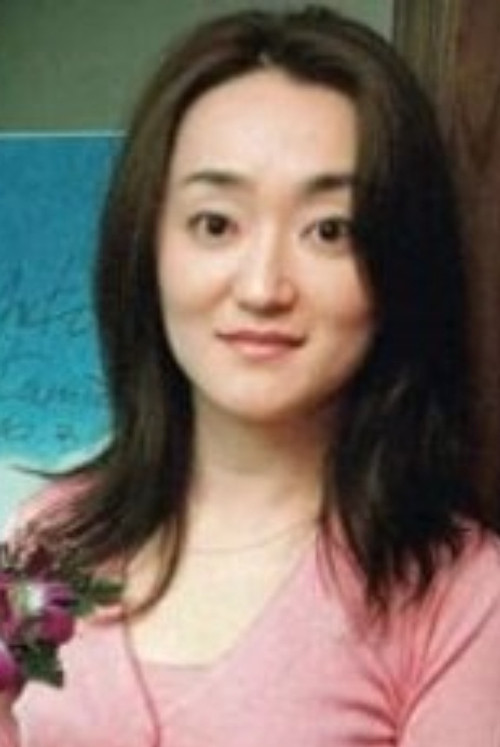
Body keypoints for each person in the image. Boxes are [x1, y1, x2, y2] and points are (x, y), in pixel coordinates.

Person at [2, 5, 500, 745]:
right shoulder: (49, 537)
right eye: (216, 224)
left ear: (402, 263)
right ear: (149, 247)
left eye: (329, 230)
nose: (264, 287)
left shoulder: (463, 602)